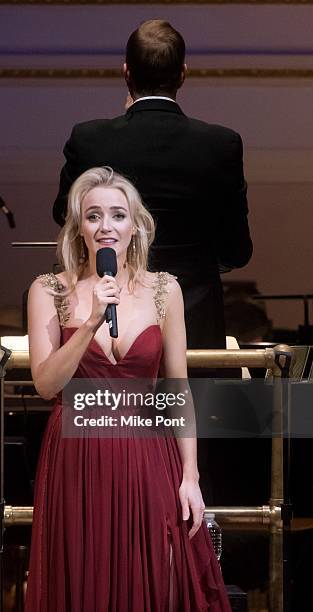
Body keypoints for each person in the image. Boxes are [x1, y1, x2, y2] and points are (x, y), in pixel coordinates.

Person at [26, 167, 231, 611]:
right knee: (84, 578)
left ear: (135, 226)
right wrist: (91, 322)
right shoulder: (48, 290)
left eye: (118, 215)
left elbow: (177, 389)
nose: (106, 226)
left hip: (148, 449)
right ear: (79, 226)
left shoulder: (164, 290)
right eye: (94, 215)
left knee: (159, 574)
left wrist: (190, 476)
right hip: (78, 455)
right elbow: (45, 384)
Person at [52, 19, 252, 351]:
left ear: (126, 72)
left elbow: (64, 214)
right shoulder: (221, 144)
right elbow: (238, 250)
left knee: (107, 404)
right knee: (191, 404)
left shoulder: (90, 139)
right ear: (183, 74)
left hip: (111, 319)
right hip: (195, 321)